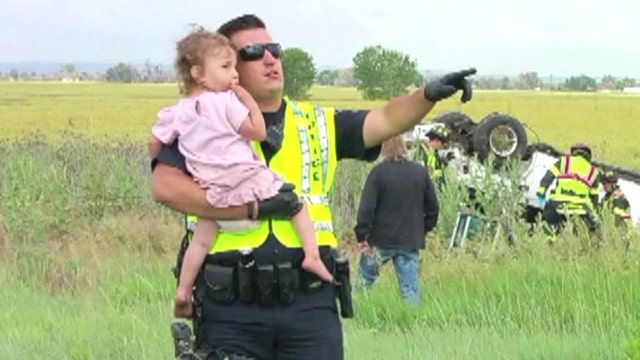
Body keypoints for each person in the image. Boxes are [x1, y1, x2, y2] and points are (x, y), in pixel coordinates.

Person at [150, 13, 476, 360]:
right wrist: (249, 210)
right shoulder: (200, 120)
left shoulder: (316, 123)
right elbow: (165, 187)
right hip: (231, 309)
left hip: (309, 305)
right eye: (254, 52)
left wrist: (427, 95)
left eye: (274, 49)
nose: (270, 58)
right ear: (225, 68)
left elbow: (384, 119)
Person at [147, 27, 333, 319]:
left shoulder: (177, 111)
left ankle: (183, 291)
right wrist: (247, 100)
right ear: (198, 73)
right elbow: (257, 132)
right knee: (295, 204)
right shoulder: (226, 102)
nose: (234, 74)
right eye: (226, 67)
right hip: (246, 181)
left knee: (201, 241)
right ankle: (311, 256)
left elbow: (155, 143)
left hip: (214, 196)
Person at [353, 135, 439, 305]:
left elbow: (367, 208)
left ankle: (354, 316)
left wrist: (362, 235)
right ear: (404, 147)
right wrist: (422, 229)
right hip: (409, 240)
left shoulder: (378, 173)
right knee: (409, 289)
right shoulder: (419, 172)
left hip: (379, 239)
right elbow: (433, 208)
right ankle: (411, 324)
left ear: (383, 149)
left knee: (362, 285)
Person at [536, 142, 601, 240]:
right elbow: (594, 197)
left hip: (558, 205)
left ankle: (550, 244)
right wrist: (593, 213)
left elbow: (548, 177)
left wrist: (541, 193)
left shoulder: (564, 162)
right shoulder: (593, 172)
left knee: (551, 231)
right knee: (584, 235)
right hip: (579, 210)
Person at [600, 170, 633, 242]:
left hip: (622, 237)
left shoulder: (618, 199)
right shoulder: (606, 198)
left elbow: (617, 220)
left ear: (612, 184)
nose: (603, 186)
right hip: (612, 235)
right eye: (602, 184)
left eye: (605, 184)